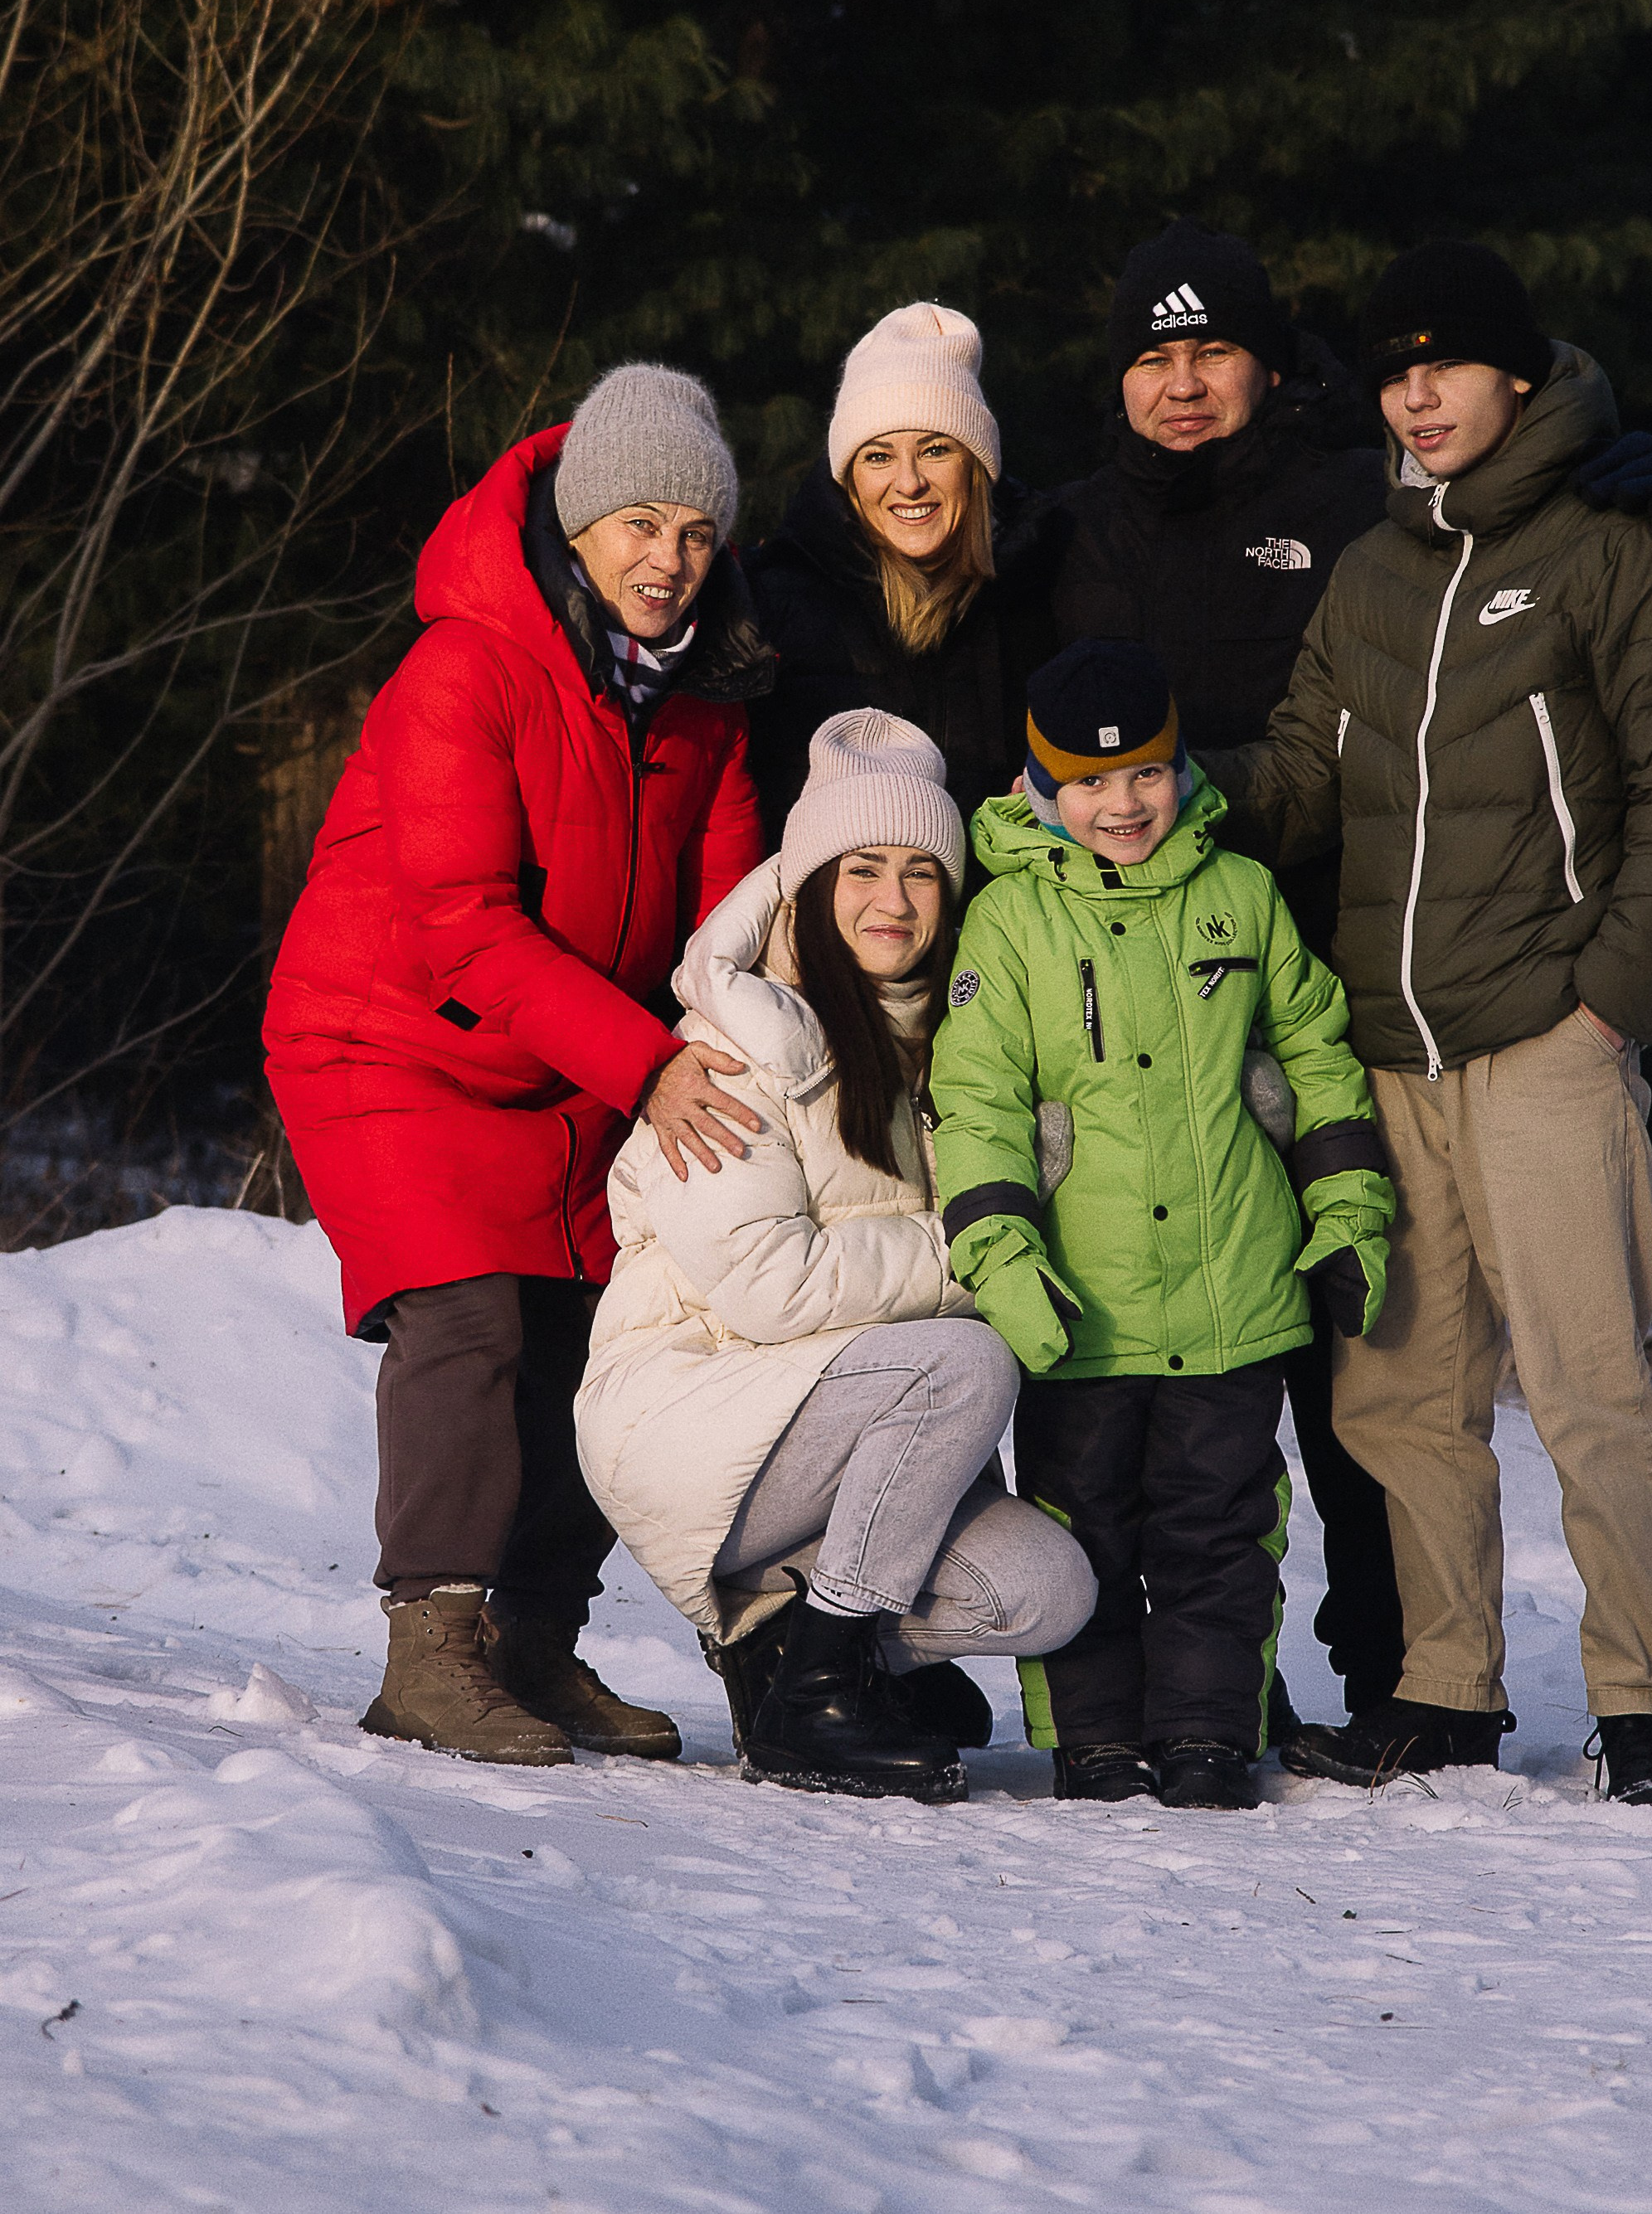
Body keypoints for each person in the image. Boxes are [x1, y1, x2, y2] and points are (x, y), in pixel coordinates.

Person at [1204, 242, 1652, 1805]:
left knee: (1588, 1391)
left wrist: (1607, 1006)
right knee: (1397, 1401)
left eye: (1444, 365)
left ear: (1517, 373)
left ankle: (1643, 1701)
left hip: (1541, 1042)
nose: (1416, 396)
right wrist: (1158, 780)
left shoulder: (1624, 545)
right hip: (1390, 1055)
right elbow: (1303, 779)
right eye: (1393, 370)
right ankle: (1446, 1689)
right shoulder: (1375, 571)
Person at [265, 362, 780, 1769]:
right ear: (577, 526)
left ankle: (535, 1643)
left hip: (570, 1057)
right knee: (471, 1315)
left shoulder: (703, 706)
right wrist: (649, 1071)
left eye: (695, 532)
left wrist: (754, 1050)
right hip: (388, 1034)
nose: (668, 559)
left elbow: (731, 926)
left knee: (603, 1333)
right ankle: (431, 1651)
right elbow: (462, 925)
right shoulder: (466, 667)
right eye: (639, 525)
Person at [575, 709, 1096, 1804]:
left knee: (1045, 1589)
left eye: (921, 871)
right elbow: (771, 1289)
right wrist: (981, 1246)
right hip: (692, 1421)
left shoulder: (955, 1040)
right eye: (861, 869)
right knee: (965, 1358)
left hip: (843, 1426)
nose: (892, 900)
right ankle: (816, 1697)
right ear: (811, 885)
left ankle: (795, 1647)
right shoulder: (735, 1048)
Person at [930, 638, 1393, 1810]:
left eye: (1145, 772)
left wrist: (1347, 1209)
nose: (1122, 803)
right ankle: (1093, 1736)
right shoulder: (1009, 921)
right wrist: (1002, 1255)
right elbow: (976, 1101)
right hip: (1079, 1305)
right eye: (1089, 782)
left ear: (1181, 771)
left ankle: (1206, 1732)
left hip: (1235, 1291)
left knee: (1219, 1530)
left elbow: (1317, 1059)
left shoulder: (1241, 894)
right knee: (1083, 1529)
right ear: (1042, 788)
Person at [746, 302, 1066, 843]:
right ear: (848, 477)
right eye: (878, 456)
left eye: (935, 450)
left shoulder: (1041, 586)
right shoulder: (777, 603)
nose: (910, 482)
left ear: (974, 466)